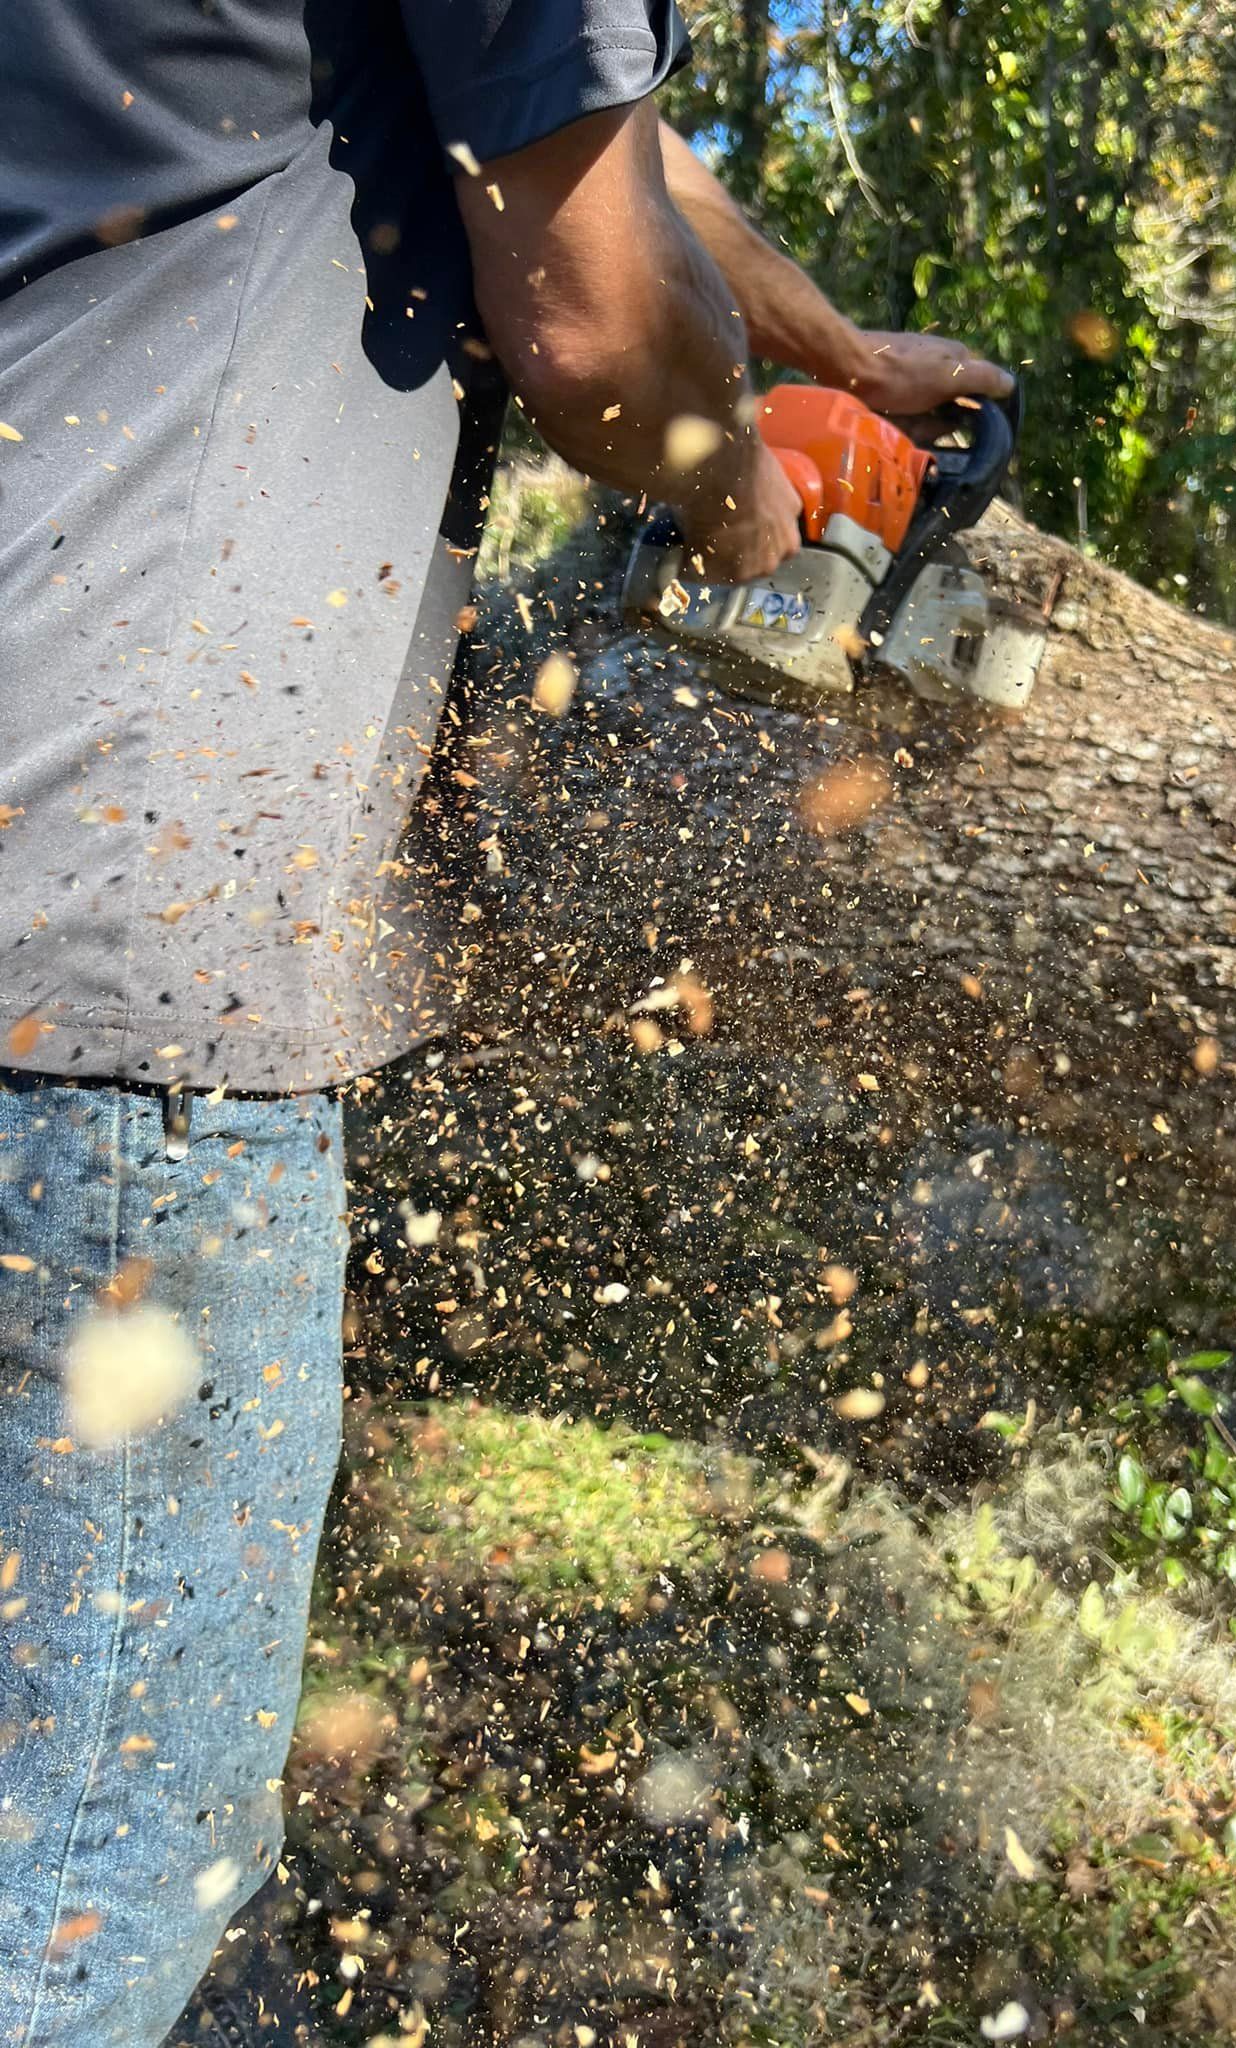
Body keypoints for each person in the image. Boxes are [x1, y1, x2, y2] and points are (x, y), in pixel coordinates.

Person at [0, 5, 1012, 2044]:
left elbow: (598, 142)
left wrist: (827, 362)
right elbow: (594, 314)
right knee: (102, 1851)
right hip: (124, 943)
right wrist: (760, 536)